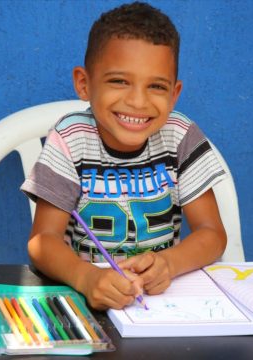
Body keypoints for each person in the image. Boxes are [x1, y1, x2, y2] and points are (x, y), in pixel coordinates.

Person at [21, 1, 227, 310]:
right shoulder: (71, 139)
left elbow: (212, 235)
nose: (137, 101)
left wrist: (168, 264)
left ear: (174, 94)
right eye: (119, 81)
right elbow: (42, 242)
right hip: (85, 302)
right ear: (84, 83)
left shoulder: (180, 136)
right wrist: (86, 278)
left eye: (156, 86)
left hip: (158, 303)